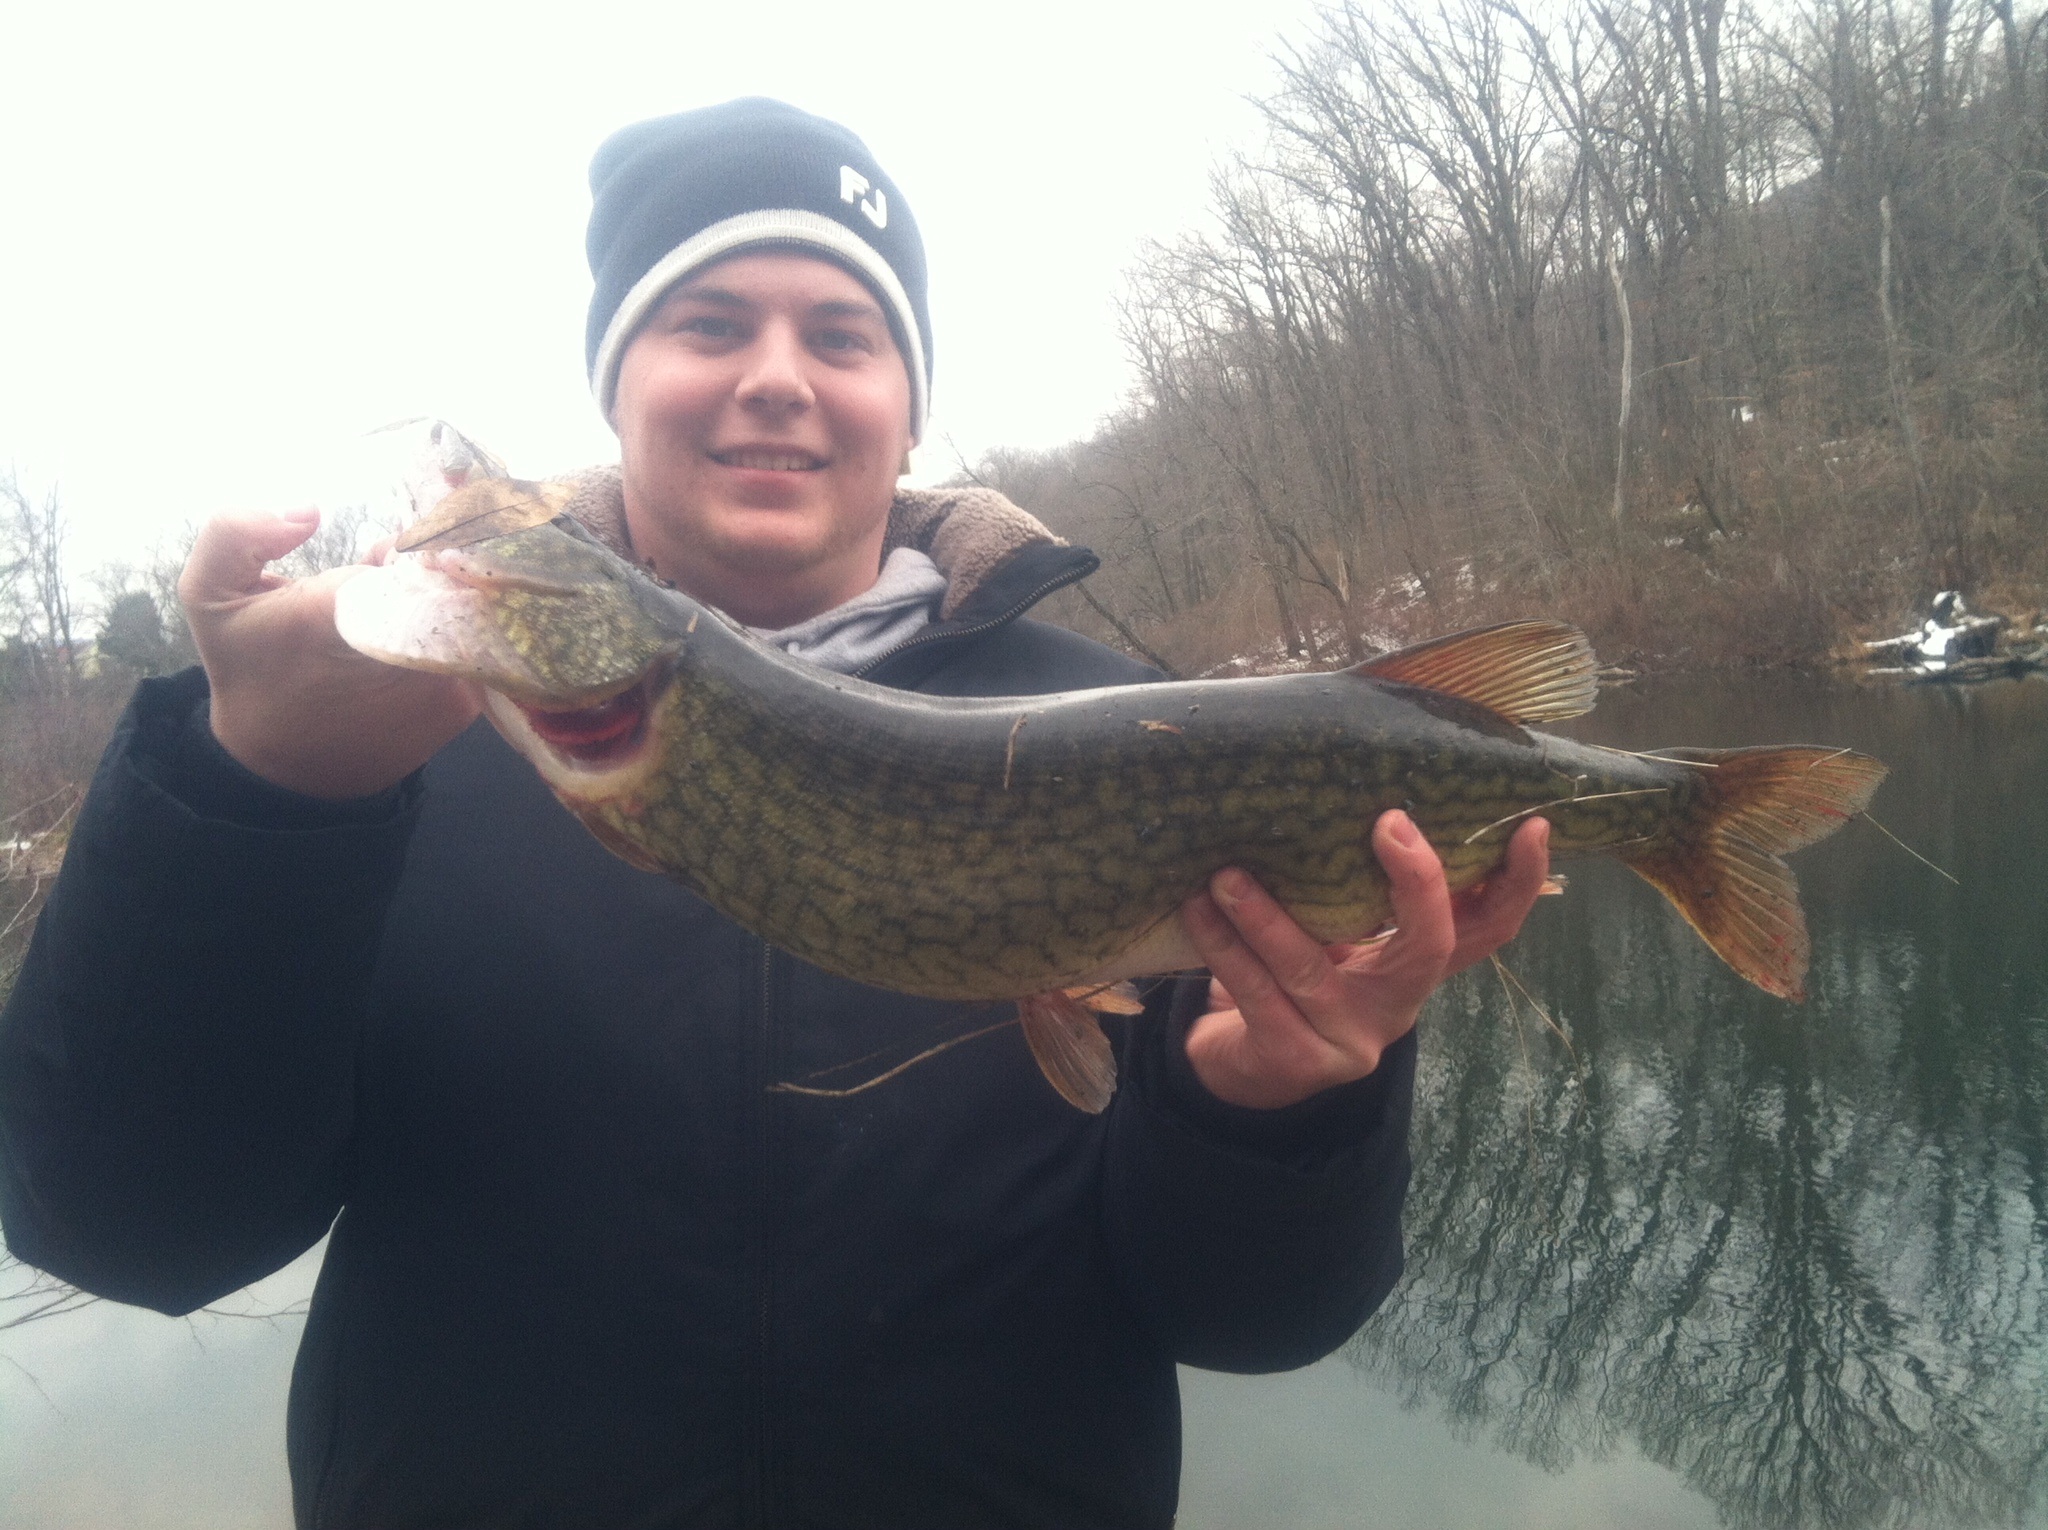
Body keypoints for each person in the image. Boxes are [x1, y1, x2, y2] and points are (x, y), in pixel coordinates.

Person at [0, 99, 1548, 1528]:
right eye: (709, 320)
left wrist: (1277, 1109)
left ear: (907, 405)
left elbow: (1249, 1319)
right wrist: (252, 791)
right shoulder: (383, 747)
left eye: (846, 331)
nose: (777, 375)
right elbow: (131, 1234)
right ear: (616, 382)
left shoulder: (1134, 731)